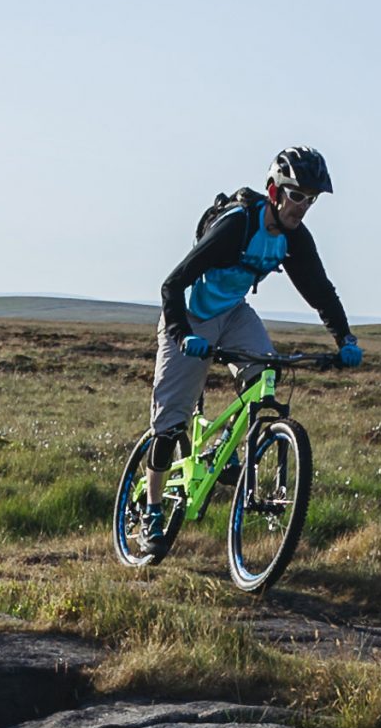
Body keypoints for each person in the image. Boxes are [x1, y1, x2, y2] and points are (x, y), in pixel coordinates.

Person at [139, 146, 362, 540]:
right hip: (191, 315)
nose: (303, 207)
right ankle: (152, 510)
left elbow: (320, 292)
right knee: (171, 423)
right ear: (275, 192)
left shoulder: (293, 240)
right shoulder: (236, 226)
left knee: (267, 379)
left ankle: (223, 447)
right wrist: (181, 334)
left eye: (311, 199)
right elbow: (172, 284)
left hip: (235, 314)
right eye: (297, 195)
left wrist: (345, 338)